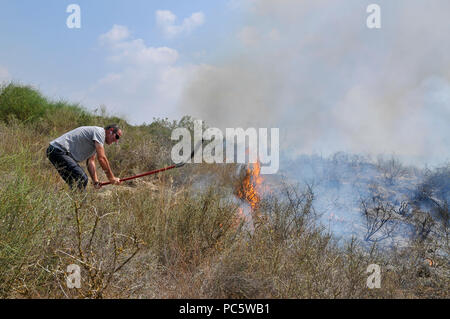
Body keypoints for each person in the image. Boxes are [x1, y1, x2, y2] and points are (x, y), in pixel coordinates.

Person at [46, 124, 122, 190]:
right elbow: (102, 158)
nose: (116, 141)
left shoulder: (96, 142)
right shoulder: (100, 132)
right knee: (81, 178)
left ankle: (75, 204)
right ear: (111, 130)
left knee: (75, 183)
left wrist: (95, 181)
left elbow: (90, 161)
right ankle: (80, 205)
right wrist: (111, 177)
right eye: (117, 137)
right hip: (58, 151)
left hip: (56, 152)